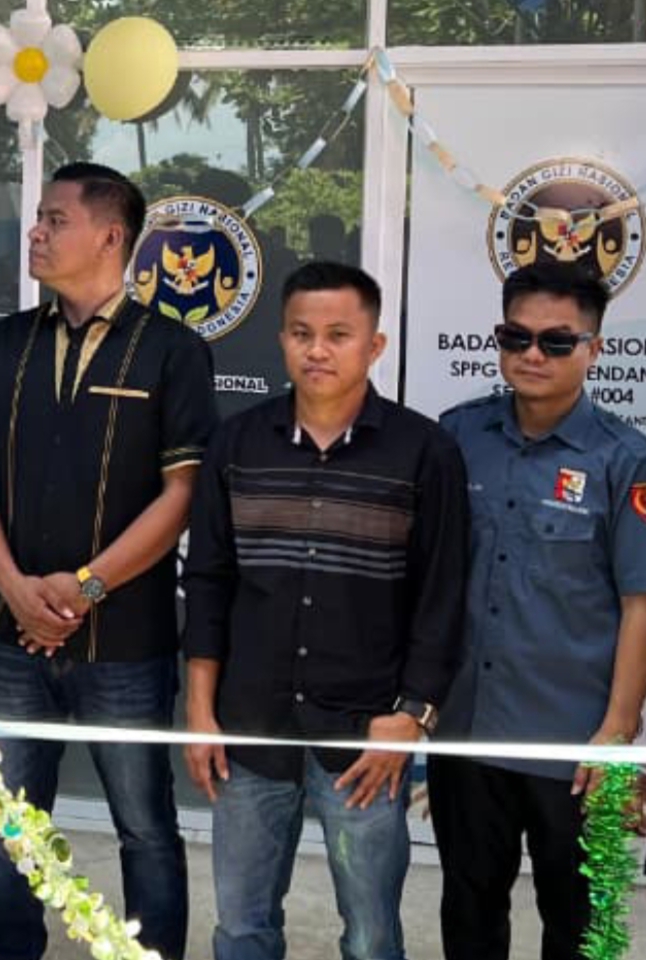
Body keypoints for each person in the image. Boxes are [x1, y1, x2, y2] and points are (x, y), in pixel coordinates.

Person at [183, 260, 469, 960]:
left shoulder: (424, 452)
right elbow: (209, 583)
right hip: (250, 728)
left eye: (339, 334)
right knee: (241, 927)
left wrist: (410, 717)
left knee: (371, 935)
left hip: (365, 736)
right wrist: (200, 712)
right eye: (301, 333)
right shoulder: (236, 444)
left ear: (375, 345)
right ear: (281, 339)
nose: (317, 350)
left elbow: (441, 596)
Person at [0, 161, 216, 960]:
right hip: (12, 638)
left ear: (110, 236)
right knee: (13, 823)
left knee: (144, 827)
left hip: (126, 642)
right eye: (38, 217)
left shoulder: (171, 350)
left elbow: (182, 494)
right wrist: (14, 589)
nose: (36, 232)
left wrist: (86, 587)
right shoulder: (8, 343)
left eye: (55, 219)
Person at [429, 261, 646, 960]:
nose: (532, 355)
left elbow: (641, 604)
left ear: (594, 348)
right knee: (469, 917)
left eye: (556, 341)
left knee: (580, 927)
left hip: (573, 745)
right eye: (515, 337)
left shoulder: (625, 460)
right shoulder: (457, 437)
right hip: (468, 731)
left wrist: (617, 734)